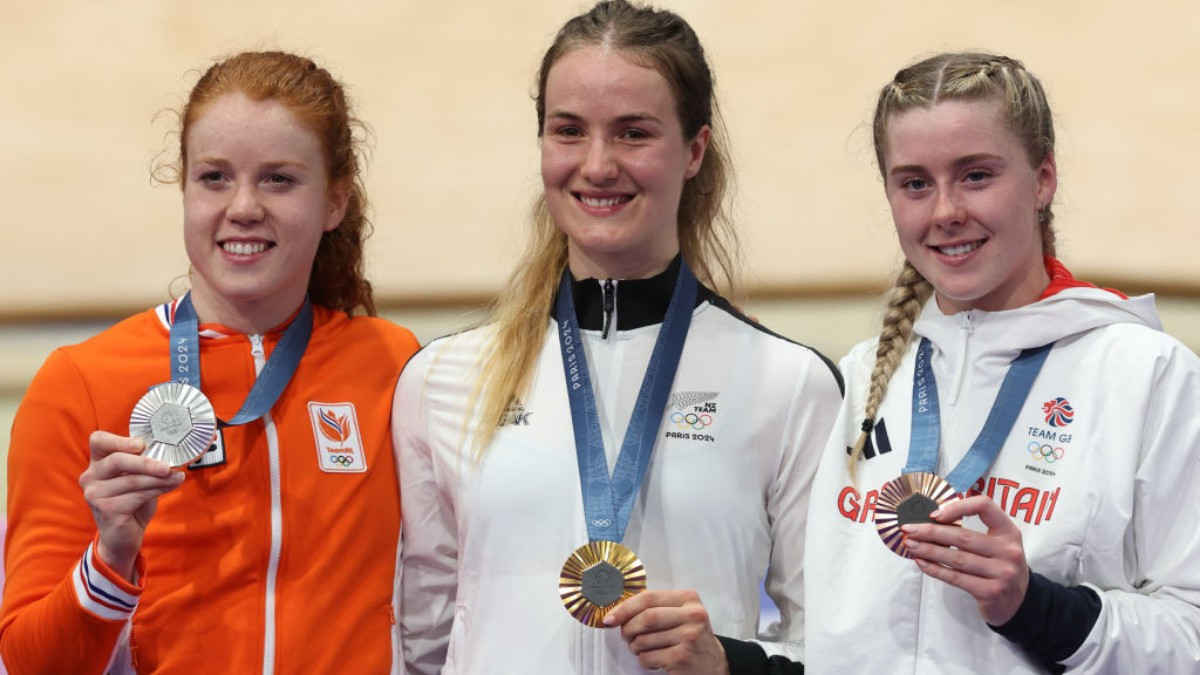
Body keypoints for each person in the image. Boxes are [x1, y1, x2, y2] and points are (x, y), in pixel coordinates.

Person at [393, 1, 842, 673]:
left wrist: (730, 663)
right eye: (568, 131)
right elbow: (420, 639)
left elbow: (832, 642)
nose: (597, 165)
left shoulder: (789, 382)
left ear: (693, 151)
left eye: (633, 133)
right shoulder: (441, 379)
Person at [0, 51, 420, 673]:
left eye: (279, 178)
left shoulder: (397, 368)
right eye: (215, 177)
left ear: (335, 202)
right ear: (185, 187)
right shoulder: (82, 383)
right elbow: (34, 662)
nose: (243, 206)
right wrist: (110, 557)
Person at [791, 53, 1200, 674]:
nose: (945, 211)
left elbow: (1190, 635)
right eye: (915, 183)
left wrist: (1035, 608)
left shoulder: (1146, 375)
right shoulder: (857, 379)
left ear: (1042, 179)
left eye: (976, 175)